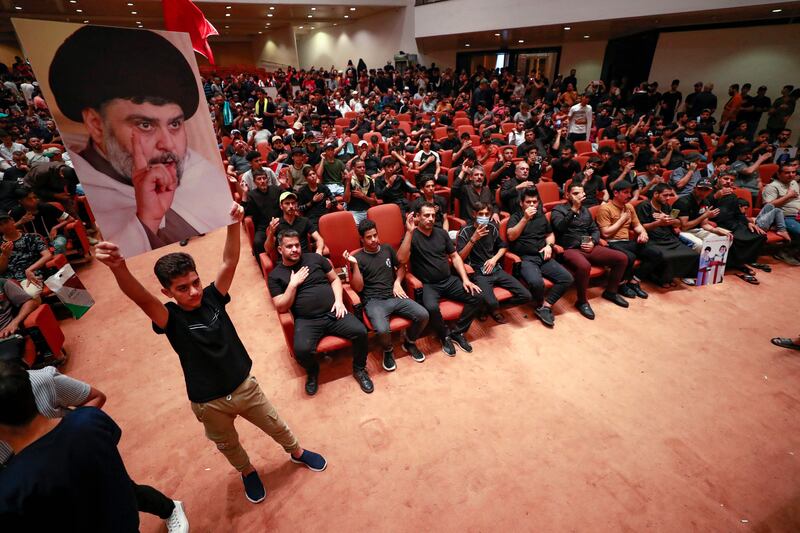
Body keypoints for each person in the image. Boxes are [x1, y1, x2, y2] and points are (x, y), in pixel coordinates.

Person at [96, 204, 327, 505]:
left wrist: (233, 223)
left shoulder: (213, 297)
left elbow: (229, 261)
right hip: (208, 402)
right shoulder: (169, 318)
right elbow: (140, 297)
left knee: (274, 423)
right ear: (168, 293)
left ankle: (296, 452)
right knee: (228, 445)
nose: (193, 292)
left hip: (243, 385)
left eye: (194, 282)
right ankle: (247, 472)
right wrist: (118, 267)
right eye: (182, 289)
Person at [48, 26, 230, 256]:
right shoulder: (95, 192)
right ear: (96, 124)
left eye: (174, 124)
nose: (168, 144)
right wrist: (146, 221)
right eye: (145, 125)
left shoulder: (198, 169)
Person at [0, 364, 189, 532]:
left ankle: (170, 508)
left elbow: (95, 399)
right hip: (108, 502)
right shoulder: (89, 421)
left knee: (126, 493)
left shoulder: (11, 490)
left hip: (97, 489)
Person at [268, 229, 373, 395]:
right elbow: (281, 306)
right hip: (307, 320)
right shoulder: (275, 275)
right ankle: (313, 371)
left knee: (360, 331)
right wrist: (292, 284)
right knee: (301, 351)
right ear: (280, 249)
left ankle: (359, 369)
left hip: (333, 312)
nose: (295, 249)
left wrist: (339, 301)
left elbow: (335, 279)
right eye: (289, 247)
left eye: (297, 245)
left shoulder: (315, 258)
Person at [397, 202, 482, 356]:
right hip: (429, 285)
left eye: (433, 215)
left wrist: (465, 279)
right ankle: (445, 336)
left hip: (448, 280)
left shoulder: (441, 233)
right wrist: (409, 233)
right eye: (426, 215)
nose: (430, 218)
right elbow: (401, 260)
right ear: (417, 217)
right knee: (431, 308)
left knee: (476, 296)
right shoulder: (412, 236)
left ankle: (457, 332)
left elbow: (455, 257)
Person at [345, 219, 429, 371]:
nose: (374, 240)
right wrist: (355, 265)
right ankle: (388, 350)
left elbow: (401, 266)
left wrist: (397, 282)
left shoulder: (387, 249)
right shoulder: (358, 258)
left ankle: (409, 342)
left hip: (394, 296)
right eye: (369, 237)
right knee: (383, 330)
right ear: (362, 239)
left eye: (375, 235)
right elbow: (358, 287)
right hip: (374, 301)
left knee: (423, 314)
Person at [551, 184, 630, 319]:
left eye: (581, 193)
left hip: (588, 246)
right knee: (584, 266)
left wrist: (593, 241)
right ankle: (582, 302)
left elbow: (594, 229)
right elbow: (559, 228)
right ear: (567, 195)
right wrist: (574, 209)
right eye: (575, 193)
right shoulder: (558, 209)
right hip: (569, 248)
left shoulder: (585, 211)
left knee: (622, 258)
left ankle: (611, 291)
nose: (579, 196)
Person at [505, 188, 574, 327]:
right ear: (521, 203)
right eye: (528, 202)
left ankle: (545, 307)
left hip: (542, 255)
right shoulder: (516, 217)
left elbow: (549, 235)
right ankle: (540, 303)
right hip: (525, 258)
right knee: (537, 283)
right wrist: (525, 218)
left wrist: (549, 246)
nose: (531, 205)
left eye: (534, 202)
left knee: (567, 278)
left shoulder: (541, 216)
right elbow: (511, 236)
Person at [456, 203, 531, 323]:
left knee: (526, 296)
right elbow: (459, 257)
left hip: (495, 268)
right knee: (492, 302)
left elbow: (503, 246)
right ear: (474, 214)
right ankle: (491, 307)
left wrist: (494, 259)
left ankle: (493, 308)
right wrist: (473, 239)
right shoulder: (465, 231)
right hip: (478, 272)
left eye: (487, 214)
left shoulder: (492, 227)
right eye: (481, 214)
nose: (484, 217)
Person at [595, 181, 655, 298]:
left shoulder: (629, 207)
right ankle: (621, 285)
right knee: (630, 257)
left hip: (626, 241)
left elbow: (637, 225)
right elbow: (605, 233)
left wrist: (643, 233)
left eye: (630, 192)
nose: (629, 195)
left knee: (655, 253)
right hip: (612, 243)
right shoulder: (605, 208)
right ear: (615, 193)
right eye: (625, 192)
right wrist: (622, 219)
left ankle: (634, 281)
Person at [708, 172, 767, 283]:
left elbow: (738, 213)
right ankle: (733, 264)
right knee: (735, 238)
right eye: (726, 179)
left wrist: (748, 223)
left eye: (731, 180)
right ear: (718, 179)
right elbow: (703, 208)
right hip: (717, 224)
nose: (729, 182)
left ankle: (742, 262)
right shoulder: (708, 191)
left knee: (760, 235)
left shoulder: (732, 195)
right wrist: (716, 196)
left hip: (734, 223)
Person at [0, 213, 52, 298]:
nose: (5, 226)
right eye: (0, 225)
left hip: (29, 276)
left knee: (30, 295)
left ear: (12, 221)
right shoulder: (1, 244)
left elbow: (47, 255)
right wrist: (4, 255)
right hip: (8, 281)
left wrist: (30, 269)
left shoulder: (32, 237)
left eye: (6, 222)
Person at [10, 188, 74, 255]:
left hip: (56, 237)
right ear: (21, 202)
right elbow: (7, 230)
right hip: (33, 242)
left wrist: (55, 227)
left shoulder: (46, 207)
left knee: (59, 244)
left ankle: (57, 263)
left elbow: (70, 218)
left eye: (34, 197)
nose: (34, 200)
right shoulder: (16, 212)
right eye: (29, 199)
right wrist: (20, 222)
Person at [762, 161, 800, 265]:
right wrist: (787, 196)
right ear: (779, 174)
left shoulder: (794, 183)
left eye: (793, 172)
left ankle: (796, 252)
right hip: (784, 217)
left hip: (797, 215)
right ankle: (784, 252)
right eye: (787, 173)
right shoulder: (772, 186)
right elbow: (768, 207)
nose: (791, 175)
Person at [265, 191, 325, 256]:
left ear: (296, 204)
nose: (291, 206)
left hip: (306, 259)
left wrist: (319, 251)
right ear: (281, 206)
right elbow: (268, 250)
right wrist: (271, 232)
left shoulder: (305, 221)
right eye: (287, 203)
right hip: (286, 262)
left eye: (293, 203)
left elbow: (319, 239)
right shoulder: (276, 224)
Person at [343, 161, 378, 225]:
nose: (362, 169)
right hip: (354, 212)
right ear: (354, 169)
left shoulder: (369, 180)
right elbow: (346, 200)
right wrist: (348, 182)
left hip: (368, 211)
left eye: (364, 167)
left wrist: (362, 196)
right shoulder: (350, 181)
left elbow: (374, 202)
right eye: (359, 167)